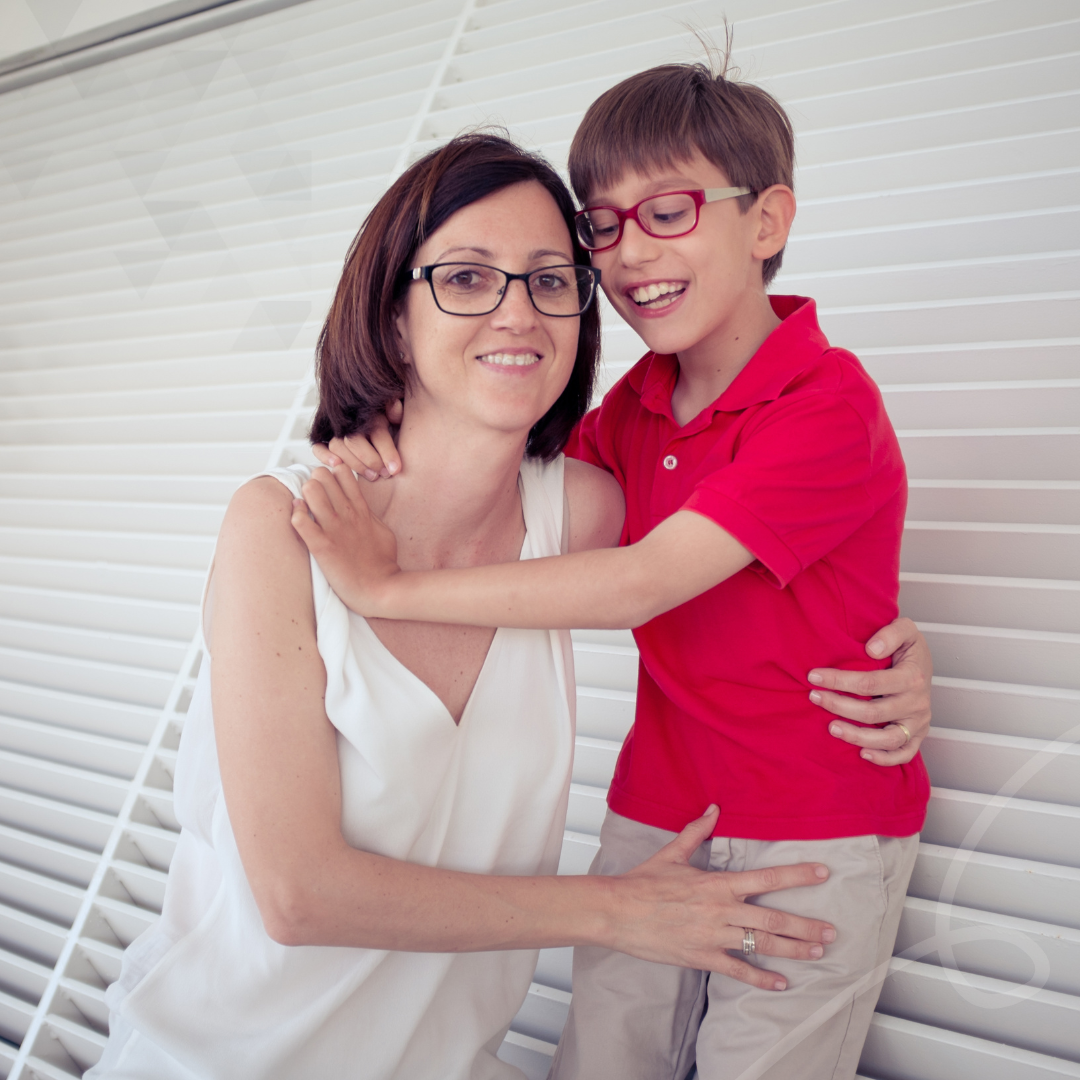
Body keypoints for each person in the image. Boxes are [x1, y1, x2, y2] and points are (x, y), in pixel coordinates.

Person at [86, 134, 846, 1080]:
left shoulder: (589, 511)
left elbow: (766, 557)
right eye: (468, 278)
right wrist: (614, 910)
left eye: (549, 279)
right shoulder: (279, 526)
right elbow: (299, 894)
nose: (518, 312)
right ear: (393, 316)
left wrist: (898, 658)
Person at [294, 63, 932, 1080]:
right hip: (658, 806)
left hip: (816, 823)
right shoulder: (632, 407)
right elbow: (514, 492)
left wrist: (388, 590)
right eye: (604, 226)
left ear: (768, 220)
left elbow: (639, 580)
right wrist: (374, 434)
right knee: (602, 1057)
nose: (631, 254)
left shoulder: (825, 405)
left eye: (668, 212)